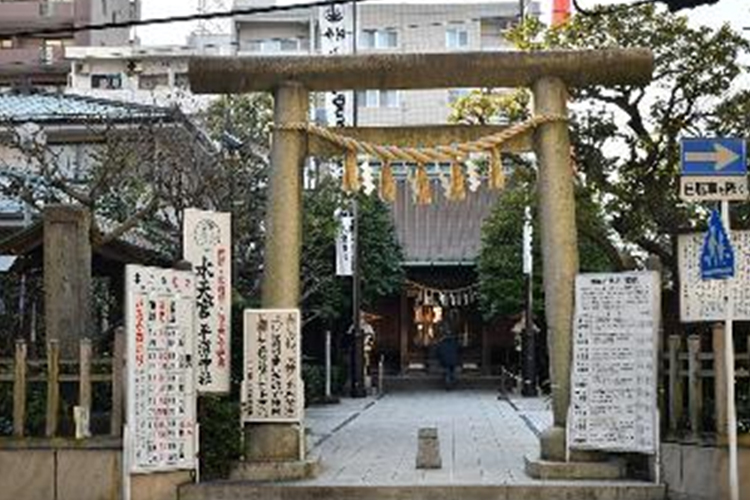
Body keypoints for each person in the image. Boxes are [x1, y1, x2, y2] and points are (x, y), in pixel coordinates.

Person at [436, 310, 460, 389]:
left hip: (445, 360)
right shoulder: (453, 341)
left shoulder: (442, 343)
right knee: (451, 370)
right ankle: (452, 382)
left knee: (447, 371)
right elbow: (457, 349)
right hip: (453, 359)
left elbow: (439, 351)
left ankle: (449, 383)